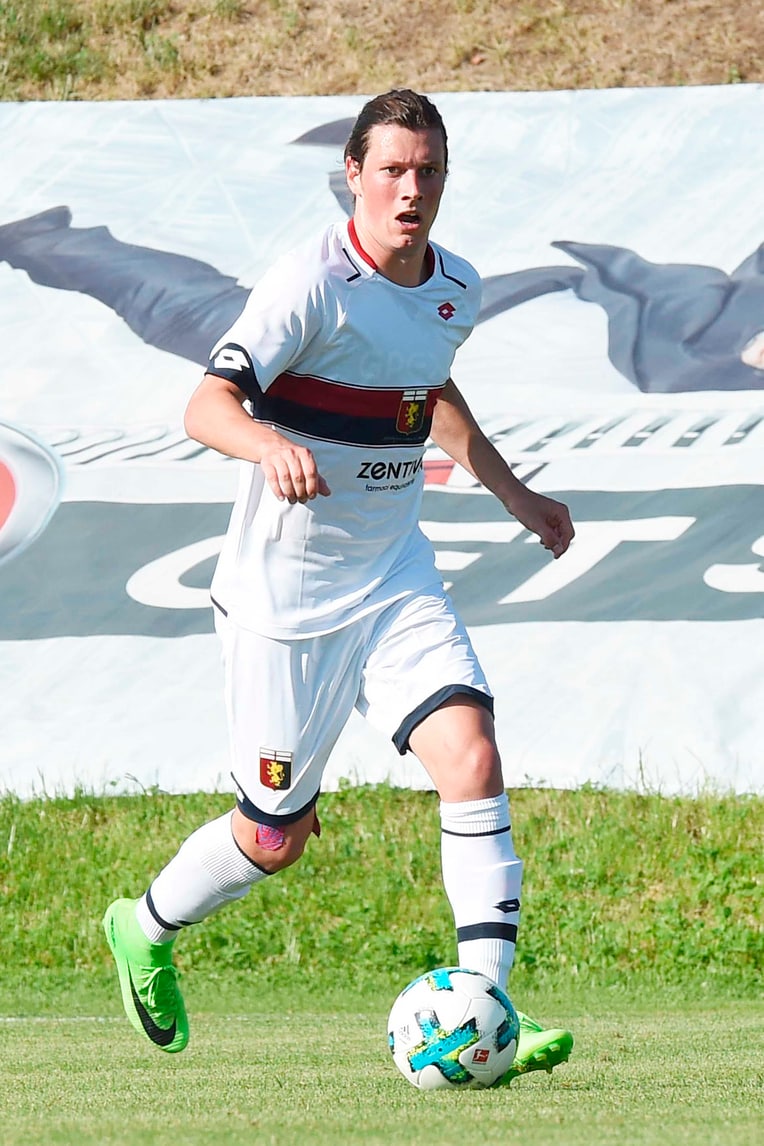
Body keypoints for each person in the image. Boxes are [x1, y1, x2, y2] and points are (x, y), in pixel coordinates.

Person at [102, 89, 575, 1082]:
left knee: (472, 756)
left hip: (393, 574)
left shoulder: (455, 286)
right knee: (274, 839)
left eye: (428, 171)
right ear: (353, 174)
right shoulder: (309, 285)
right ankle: (142, 927)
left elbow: (427, 388)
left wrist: (515, 494)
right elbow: (205, 405)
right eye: (392, 169)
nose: (411, 190)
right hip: (282, 602)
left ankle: (488, 1006)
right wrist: (267, 446)